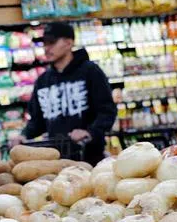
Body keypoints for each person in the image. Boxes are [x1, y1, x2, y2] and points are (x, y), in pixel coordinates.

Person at [23, 21, 117, 165]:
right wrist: (23, 135)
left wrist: (90, 132)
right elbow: (37, 121)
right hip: (55, 159)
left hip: (89, 156)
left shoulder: (90, 71)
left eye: (51, 43)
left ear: (68, 43)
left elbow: (107, 111)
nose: (46, 48)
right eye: (44, 43)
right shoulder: (43, 81)